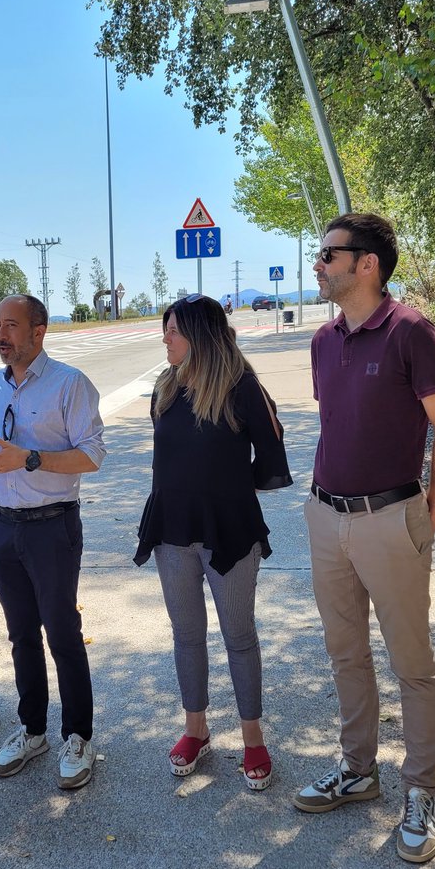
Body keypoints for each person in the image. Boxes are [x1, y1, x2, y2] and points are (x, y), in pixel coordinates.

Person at [292, 214, 435, 864]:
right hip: (324, 518)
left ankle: (419, 789)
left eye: (328, 255)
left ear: (366, 263)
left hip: (391, 519)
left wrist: (428, 511)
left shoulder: (411, 332)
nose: (318, 264)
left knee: (412, 666)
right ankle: (357, 769)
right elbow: (340, 424)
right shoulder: (322, 341)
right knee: (346, 655)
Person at [133, 294, 292, 790]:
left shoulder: (242, 387)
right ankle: (195, 729)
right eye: (164, 329)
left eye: (173, 331)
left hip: (230, 532)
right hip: (171, 530)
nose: (165, 338)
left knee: (239, 637)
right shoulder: (166, 386)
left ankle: (252, 739)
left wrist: (227, 489)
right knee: (187, 635)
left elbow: (270, 458)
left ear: (200, 335)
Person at [0, 294, 106, 790]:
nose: (1, 335)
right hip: (1, 523)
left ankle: (79, 735)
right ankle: (32, 730)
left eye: (11, 326)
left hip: (52, 526)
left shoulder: (69, 383)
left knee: (61, 632)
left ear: (39, 331)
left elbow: (92, 456)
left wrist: (28, 459)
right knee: (20, 633)